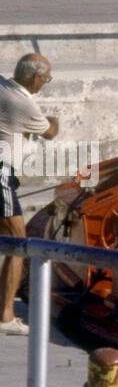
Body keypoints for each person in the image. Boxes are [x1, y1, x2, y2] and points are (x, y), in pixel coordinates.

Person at [0, 53, 60, 334]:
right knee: (18, 242)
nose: (45, 83)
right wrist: (53, 120)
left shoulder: (3, 85)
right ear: (34, 77)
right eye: (45, 78)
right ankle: (6, 316)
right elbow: (50, 132)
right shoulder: (23, 103)